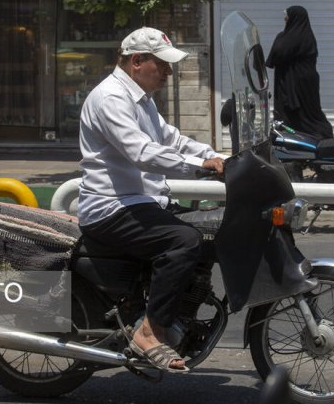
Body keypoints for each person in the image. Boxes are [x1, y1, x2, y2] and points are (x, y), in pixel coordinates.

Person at [77, 27, 225, 372]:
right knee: (183, 240)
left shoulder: (141, 99)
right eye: (163, 65)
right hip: (111, 207)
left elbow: (171, 140)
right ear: (137, 61)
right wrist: (200, 167)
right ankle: (149, 331)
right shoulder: (111, 98)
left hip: (141, 202)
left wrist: (220, 157)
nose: (168, 72)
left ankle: (175, 314)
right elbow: (141, 152)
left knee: (209, 231)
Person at [265, 5, 334, 140]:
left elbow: (278, 52)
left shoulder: (297, 37)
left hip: (300, 85)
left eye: (287, 16)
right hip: (291, 82)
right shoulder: (298, 36)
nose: (285, 19)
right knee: (294, 115)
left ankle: (321, 138)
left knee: (307, 114)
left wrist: (280, 37)